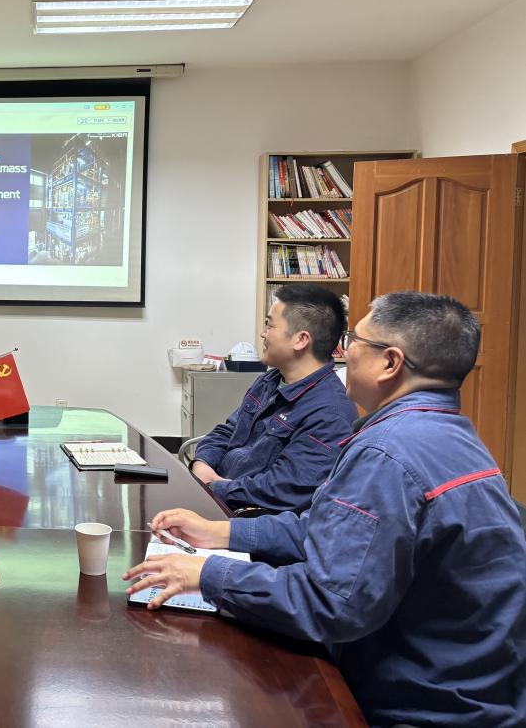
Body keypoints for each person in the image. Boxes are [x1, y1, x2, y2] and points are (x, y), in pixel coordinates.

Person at [124, 292, 526, 727]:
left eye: (354, 341)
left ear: (390, 363)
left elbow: (329, 603)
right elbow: (328, 529)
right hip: (478, 690)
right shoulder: (450, 434)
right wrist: (222, 533)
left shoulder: (387, 453)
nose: (342, 352)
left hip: (427, 707)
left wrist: (207, 575)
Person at [189, 283, 356, 512]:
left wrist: (215, 487)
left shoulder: (330, 415)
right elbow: (228, 430)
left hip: (246, 517)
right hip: (217, 498)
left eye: (269, 325)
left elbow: (281, 490)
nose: (263, 333)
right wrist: (202, 462)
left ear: (301, 340)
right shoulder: (270, 380)